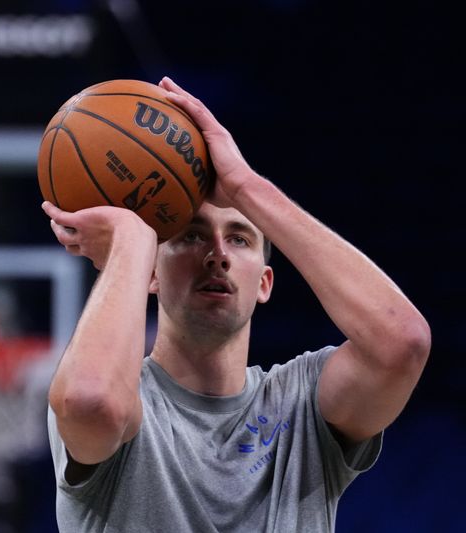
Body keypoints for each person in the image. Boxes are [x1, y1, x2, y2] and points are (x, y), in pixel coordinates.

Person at [42, 76, 431, 532]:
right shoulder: (124, 396)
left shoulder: (301, 403)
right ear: (149, 272)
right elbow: (92, 402)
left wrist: (246, 187)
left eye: (240, 239)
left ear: (265, 282)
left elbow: (402, 342)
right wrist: (131, 235)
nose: (218, 255)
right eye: (192, 235)